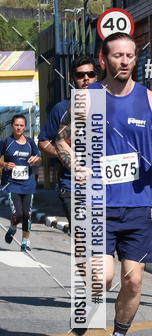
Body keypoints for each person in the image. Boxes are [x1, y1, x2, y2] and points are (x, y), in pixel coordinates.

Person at [55, 33, 152, 336]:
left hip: (137, 204)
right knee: (102, 277)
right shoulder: (86, 98)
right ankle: (88, 302)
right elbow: (61, 141)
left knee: (133, 281)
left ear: (136, 59)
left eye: (130, 55)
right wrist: (76, 163)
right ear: (103, 60)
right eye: (118, 55)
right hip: (96, 204)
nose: (124, 61)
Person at [38, 58, 98, 231]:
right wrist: (64, 153)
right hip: (72, 185)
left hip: (103, 185)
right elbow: (43, 142)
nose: (86, 78)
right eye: (80, 75)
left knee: (104, 244)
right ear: (72, 78)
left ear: (96, 77)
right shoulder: (61, 108)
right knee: (83, 238)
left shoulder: (109, 106)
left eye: (90, 74)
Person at [0, 113, 42, 252]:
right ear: (12, 126)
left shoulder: (30, 142)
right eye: (16, 125)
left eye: (21, 125)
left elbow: (39, 158)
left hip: (28, 184)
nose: (19, 128)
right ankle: (13, 227)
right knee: (18, 214)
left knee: (26, 214)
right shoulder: (6, 142)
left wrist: (36, 160)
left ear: (25, 127)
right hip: (12, 184)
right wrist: (5, 164)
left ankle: (25, 242)